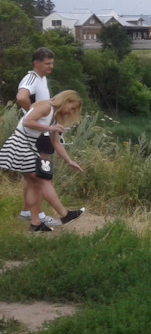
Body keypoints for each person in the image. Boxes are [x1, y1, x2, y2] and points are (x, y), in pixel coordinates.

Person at [0, 90, 86, 232]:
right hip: (21, 144)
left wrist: (69, 161)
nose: (72, 112)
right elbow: (27, 122)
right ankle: (64, 215)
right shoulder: (46, 107)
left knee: (35, 184)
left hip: (28, 145)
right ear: (66, 101)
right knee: (42, 180)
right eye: (73, 108)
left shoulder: (55, 117)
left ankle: (36, 224)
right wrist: (49, 128)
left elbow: (55, 143)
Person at [15, 47, 60, 226]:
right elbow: (21, 97)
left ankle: (27, 211)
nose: (51, 67)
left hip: (40, 130)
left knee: (31, 175)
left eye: (52, 63)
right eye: (48, 63)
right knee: (40, 174)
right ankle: (39, 216)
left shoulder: (42, 78)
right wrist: (32, 112)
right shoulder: (31, 78)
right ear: (36, 63)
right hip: (35, 131)